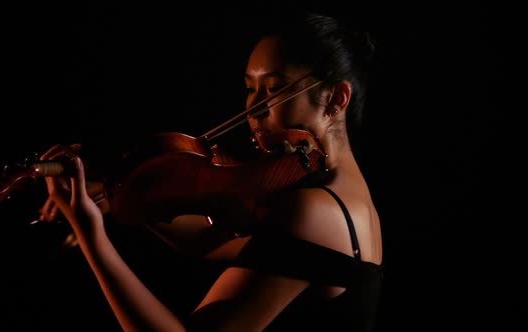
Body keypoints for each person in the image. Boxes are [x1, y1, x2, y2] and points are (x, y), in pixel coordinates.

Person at [37, 10, 384, 331]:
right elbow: (211, 244)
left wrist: (92, 237)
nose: (254, 109)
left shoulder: (314, 211)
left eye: (275, 89)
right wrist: (126, 200)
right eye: (250, 89)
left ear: (337, 99)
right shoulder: (352, 202)